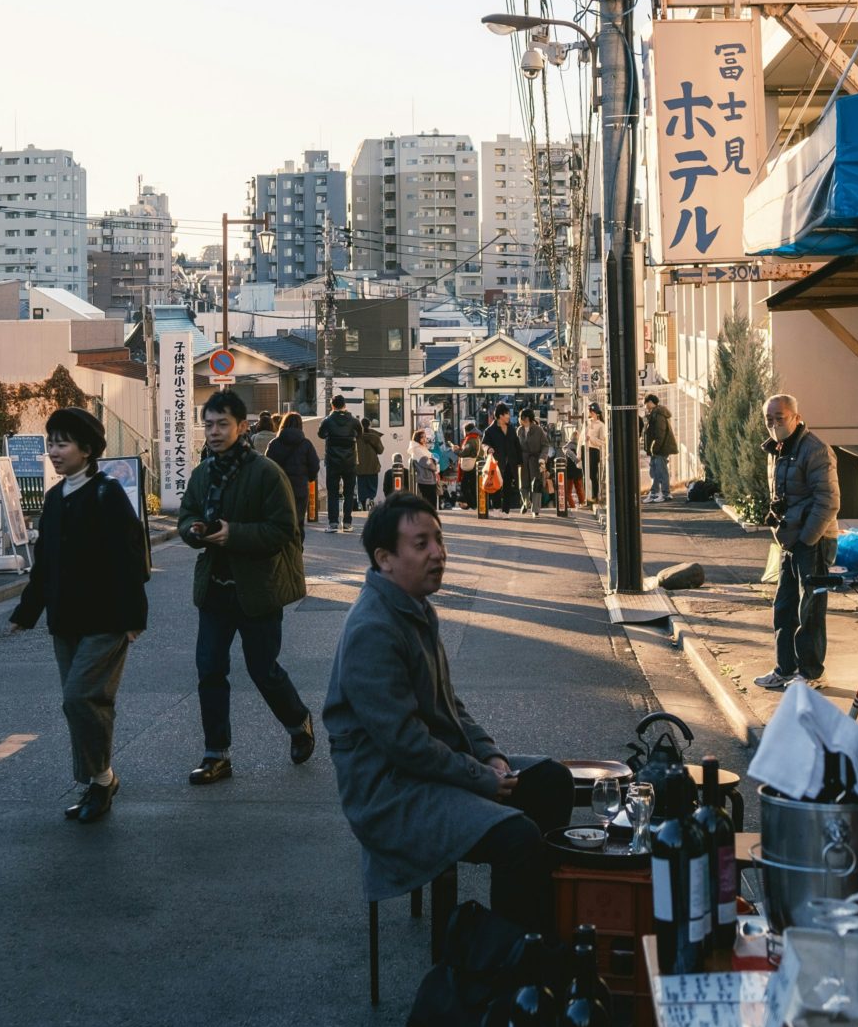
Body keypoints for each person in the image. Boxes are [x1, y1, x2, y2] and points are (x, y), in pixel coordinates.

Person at [324, 495, 572, 931]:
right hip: (392, 793)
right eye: (421, 544)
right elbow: (406, 744)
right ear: (385, 558)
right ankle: (509, 971)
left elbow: (448, 702)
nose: (438, 553)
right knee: (517, 836)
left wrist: (489, 755)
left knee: (552, 781)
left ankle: (542, 932)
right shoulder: (373, 629)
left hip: (429, 770)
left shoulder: (413, 605)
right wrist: (481, 778)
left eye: (439, 539)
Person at [11, 406, 149, 824]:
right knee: (84, 703)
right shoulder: (54, 499)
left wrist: (133, 618)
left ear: (86, 450)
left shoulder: (108, 494)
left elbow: (131, 561)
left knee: (81, 697)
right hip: (65, 620)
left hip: (107, 618)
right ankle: (98, 782)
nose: (54, 450)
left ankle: (100, 780)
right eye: (51, 442)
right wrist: (25, 612)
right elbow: (45, 567)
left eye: (63, 443)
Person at [181, 388, 314, 783]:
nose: (215, 432)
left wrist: (232, 534)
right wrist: (195, 530)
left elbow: (283, 530)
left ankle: (298, 721)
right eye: (209, 425)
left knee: (262, 669)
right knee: (209, 669)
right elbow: (186, 516)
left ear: (242, 427)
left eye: (223, 424)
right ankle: (216, 754)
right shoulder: (203, 473)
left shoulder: (265, 472)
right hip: (215, 589)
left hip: (258, 589)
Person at [754, 394, 839, 692]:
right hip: (789, 541)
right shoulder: (777, 450)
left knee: (810, 610)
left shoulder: (815, 450)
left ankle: (813, 672)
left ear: (796, 417)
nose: (774, 424)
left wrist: (806, 538)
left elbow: (828, 501)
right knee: (784, 607)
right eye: (769, 419)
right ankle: (786, 668)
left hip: (814, 541)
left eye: (780, 417)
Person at [265, 411, 320, 525]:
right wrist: (309, 478)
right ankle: (297, 541)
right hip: (299, 488)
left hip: (279, 489)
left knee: (280, 523)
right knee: (298, 522)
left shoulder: (274, 443)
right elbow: (314, 465)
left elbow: (267, 466)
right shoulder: (306, 444)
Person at [316, 397, 361, 534]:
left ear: (332, 406)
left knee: (333, 493)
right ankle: (347, 523)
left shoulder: (328, 421)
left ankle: (333, 523)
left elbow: (321, 435)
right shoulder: (354, 421)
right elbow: (359, 434)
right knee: (348, 493)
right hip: (350, 461)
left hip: (333, 461)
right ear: (345, 405)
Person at [481, 404, 523, 524]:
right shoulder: (490, 430)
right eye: (507, 414)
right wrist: (488, 449)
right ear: (500, 416)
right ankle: (496, 508)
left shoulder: (511, 428)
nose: (509, 416)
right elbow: (484, 443)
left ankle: (506, 510)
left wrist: (520, 461)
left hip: (511, 462)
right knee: (496, 485)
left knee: (508, 487)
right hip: (497, 462)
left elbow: (517, 445)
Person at [642, 393, 678, 502]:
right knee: (654, 471)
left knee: (661, 471)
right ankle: (654, 492)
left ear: (650, 402)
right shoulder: (654, 413)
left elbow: (660, 433)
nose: (644, 406)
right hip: (656, 448)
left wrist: (655, 447)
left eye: (645, 403)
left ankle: (665, 493)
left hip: (661, 448)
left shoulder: (659, 415)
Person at [515, 407, 550, 517]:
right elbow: (516, 446)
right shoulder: (519, 430)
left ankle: (535, 510)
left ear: (528, 418)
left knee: (536, 485)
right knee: (523, 485)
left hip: (536, 460)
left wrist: (542, 459)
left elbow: (545, 445)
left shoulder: (538, 430)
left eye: (522, 418)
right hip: (523, 460)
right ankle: (526, 503)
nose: (520, 420)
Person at [356, 414, 385, 510]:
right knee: (372, 486)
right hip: (373, 466)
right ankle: (371, 499)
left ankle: (363, 503)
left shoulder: (356, 437)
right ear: (369, 425)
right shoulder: (375, 437)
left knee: (362, 487)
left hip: (360, 467)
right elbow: (380, 451)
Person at [455, 423, 485, 513]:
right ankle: (475, 505)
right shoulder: (477, 437)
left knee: (465, 486)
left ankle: (473, 505)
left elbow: (464, 453)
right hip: (475, 465)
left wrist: (456, 450)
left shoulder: (470, 439)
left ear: (467, 431)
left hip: (470, 465)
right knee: (473, 486)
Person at [581, 402, 606, 509]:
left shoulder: (601, 425)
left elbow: (603, 442)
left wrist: (591, 439)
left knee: (592, 475)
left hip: (593, 450)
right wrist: (578, 453)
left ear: (593, 412)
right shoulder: (586, 423)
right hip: (584, 449)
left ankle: (594, 497)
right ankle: (586, 498)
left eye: (589, 411)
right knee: (585, 475)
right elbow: (580, 439)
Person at [409, 442, 441, 513]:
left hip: (425, 479)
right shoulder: (419, 452)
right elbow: (430, 465)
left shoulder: (420, 451)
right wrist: (433, 463)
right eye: (423, 437)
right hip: (427, 480)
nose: (425, 439)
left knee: (428, 499)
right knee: (430, 500)